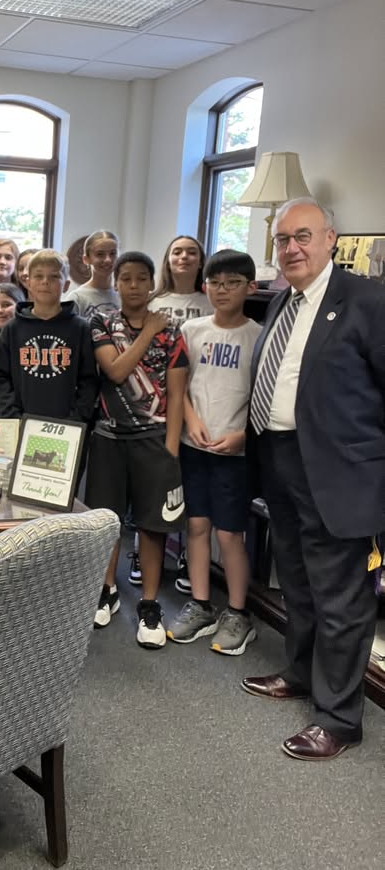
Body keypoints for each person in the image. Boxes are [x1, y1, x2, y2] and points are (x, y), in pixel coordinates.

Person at [243, 198, 384, 761]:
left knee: (341, 596)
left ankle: (339, 718)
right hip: (280, 461)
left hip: (338, 473)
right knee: (296, 581)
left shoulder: (367, 301)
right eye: (282, 239)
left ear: (331, 239)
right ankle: (301, 673)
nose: (291, 248)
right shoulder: (283, 300)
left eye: (303, 236)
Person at [85, 251, 188, 644]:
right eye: (125, 278)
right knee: (107, 522)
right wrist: (148, 331)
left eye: (141, 278)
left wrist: (172, 448)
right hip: (109, 439)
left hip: (154, 441)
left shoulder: (173, 331)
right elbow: (115, 370)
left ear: (152, 283)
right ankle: (107, 589)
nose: (133, 285)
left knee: (152, 525)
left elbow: (177, 392)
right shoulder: (101, 321)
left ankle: (149, 603)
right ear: (116, 283)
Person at [167, 249, 261, 655]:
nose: (222, 291)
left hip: (235, 454)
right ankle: (201, 604)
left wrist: (243, 436)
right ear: (205, 286)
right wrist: (189, 420)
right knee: (197, 526)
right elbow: (179, 387)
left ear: (250, 287)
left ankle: (239, 612)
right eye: (215, 283)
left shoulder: (258, 336)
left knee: (229, 533)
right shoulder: (191, 330)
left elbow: (266, 397)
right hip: (195, 448)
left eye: (233, 283)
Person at [145, 234, 212, 593]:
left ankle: (187, 556)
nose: (184, 257)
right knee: (154, 484)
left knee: (191, 487)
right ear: (167, 259)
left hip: (202, 401)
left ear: (201, 260)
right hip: (157, 407)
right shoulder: (154, 301)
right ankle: (143, 554)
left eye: (191, 252)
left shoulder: (211, 299)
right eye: (177, 251)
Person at [0, 250, 97, 423]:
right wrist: (12, 415)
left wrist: (76, 418)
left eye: (54, 276)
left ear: (66, 285)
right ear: (28, 282)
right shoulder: (12, 329)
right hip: (21, 422)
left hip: (67, 426)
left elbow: (89, 380)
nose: (45, 282)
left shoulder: (80, 329)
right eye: (38, 276)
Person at [148, 235, 212, 328]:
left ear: (200, 263)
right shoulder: (150, 302)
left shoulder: (212, 303)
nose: (184, 256)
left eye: (192, 253)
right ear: (168, 263)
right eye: (177, 253)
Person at [66, 230, 119, 318]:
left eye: (112, 253)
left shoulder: (123, 296)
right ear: (86, 259)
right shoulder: (77, 298)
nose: (108, 260)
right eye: (100, 254)